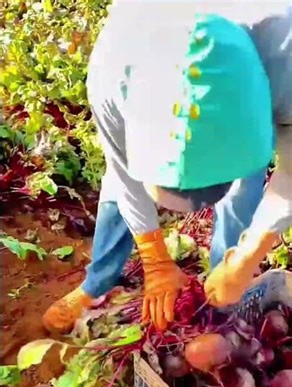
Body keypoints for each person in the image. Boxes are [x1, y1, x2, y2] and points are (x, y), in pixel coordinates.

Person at [43, 1, 291, 334]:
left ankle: (223, 284)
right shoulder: (114, 69)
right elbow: (123, 171)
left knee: (244, 185)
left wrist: (246, 257)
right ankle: (98, 283)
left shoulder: (283, 52)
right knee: (121, 181)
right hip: (134, 63)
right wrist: (155, 260)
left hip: (257, 81)